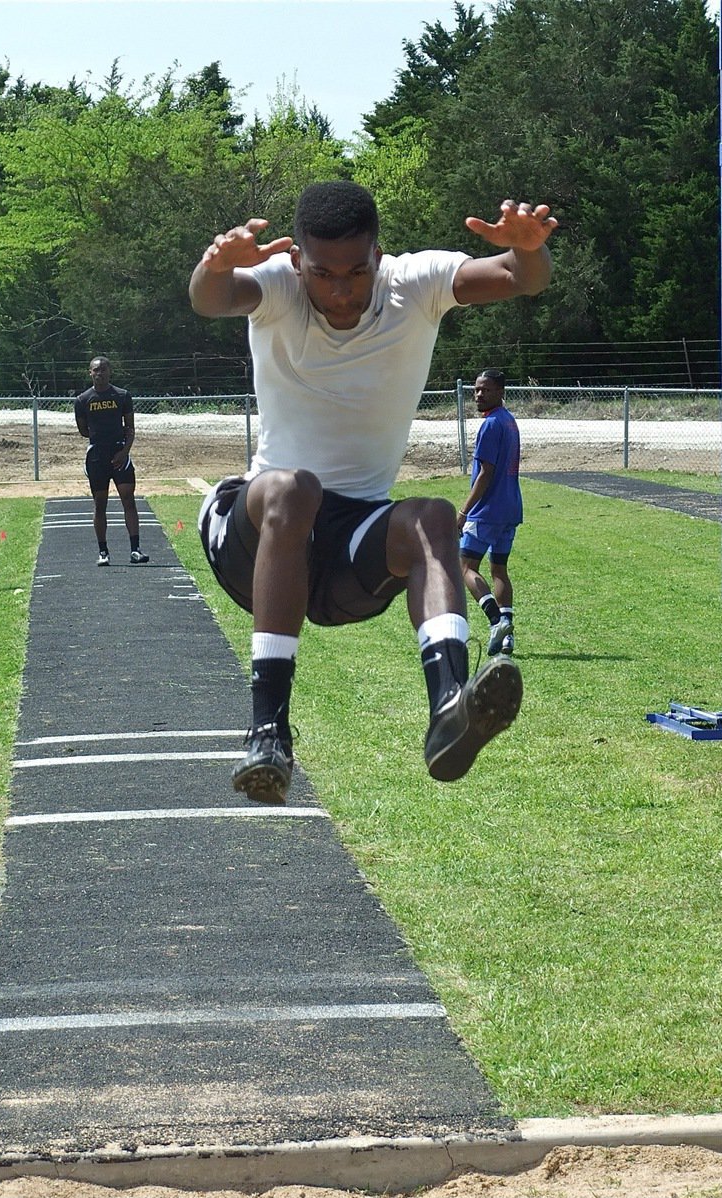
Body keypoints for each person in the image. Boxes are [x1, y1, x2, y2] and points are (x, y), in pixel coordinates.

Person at [190, 181, 556, 803]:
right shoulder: (277, 284)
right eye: (323, 273)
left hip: (345, 554)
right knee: (294, 489)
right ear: (298, 260)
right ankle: (268, 729)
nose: (341, 290)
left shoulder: (415, 284)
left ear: (379, 257)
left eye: (357, 272)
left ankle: (450, 708)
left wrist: (527, 251)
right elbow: (212, 298)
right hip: (255, 533)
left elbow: (523, 279)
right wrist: (215, 264)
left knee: (433, 515)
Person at [458, 369, 522, 657]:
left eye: (485, 389)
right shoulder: (509, 422)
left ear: (500, 392)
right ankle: (507, 637)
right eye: (476, 390)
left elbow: (485, 473)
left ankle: (496, 621)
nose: (479, 395)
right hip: (510, 508)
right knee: (499, 569)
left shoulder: (490, 425)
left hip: (487, 511)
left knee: (465, 568)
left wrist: (463, 512)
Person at [74, 356, 149, 566]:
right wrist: (101, 442)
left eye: (103, 370)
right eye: (96, 371)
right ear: (90, 373)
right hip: (97, 456)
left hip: (120, 454)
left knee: (128, 499)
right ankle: (103, 552)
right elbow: (83, 430)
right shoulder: (82, 400)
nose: (100, 374)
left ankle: (135, 549)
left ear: (110, 372)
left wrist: (124, 451)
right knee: (100, 504)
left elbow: (130, 429)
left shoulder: (122, 396)